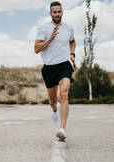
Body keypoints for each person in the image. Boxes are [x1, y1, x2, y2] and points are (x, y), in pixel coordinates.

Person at [34, 1, 77, 140]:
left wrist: (72, 54)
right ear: (50, 13)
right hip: (49, 68)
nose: (57, 14)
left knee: (64, 94)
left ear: (62, 12)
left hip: (64, 66)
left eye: (59, 11)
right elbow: (36, 49)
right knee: (53, 102)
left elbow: (72, 41)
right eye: (54, 12)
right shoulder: (43, 28)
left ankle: (62, 129)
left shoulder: (68, 28)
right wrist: (50, 39)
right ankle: (54, 111)